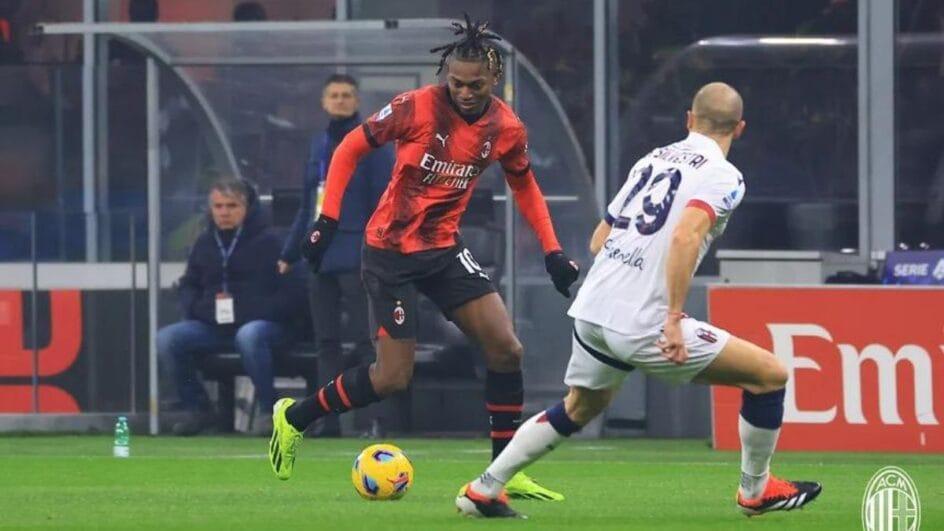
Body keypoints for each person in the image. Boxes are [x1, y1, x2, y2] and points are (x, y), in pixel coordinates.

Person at [455, 83, 822, 518]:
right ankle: (756, 491)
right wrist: (672, 317)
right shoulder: (725, 176)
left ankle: (483, 489)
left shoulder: (653, 159)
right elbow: (687, 234)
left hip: (593, 309)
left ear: (689, 119)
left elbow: (598, 240)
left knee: (579, 406)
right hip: (642, 319)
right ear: (739, 129)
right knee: (769, 375)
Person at [268, 15, 580, 501]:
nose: (465, 91)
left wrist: (553, 251)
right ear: (446, 77)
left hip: (443, 250)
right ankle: (294, 417)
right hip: (389, 253)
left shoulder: (506, 127)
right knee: (392, 377)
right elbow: (350, 147)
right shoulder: (414, 108)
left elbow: (525, 185)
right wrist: (326, 220)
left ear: (492, 79)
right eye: (456, 82)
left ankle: (503, 470)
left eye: (475, 84)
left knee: (506, 349)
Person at [278, 74, 393, 436]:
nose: (340, 101)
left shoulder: (372, 142)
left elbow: (383, 198)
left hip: (358, 251)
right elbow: (307, 201)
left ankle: (367, 420)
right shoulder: (318, 144)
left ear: (357, 101)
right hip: (321, 254)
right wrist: (291, 251)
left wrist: (381, 247)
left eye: (346, 95)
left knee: (363, 339)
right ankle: (325, 421)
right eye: (334, 95)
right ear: (324, 102)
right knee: (325, 340)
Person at [158, 178, 306, 435]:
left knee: (249, 335)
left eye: (231, 206)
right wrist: (195, 307)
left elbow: (293, 292)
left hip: (267, 326)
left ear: (247, 207)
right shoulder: (204, 243)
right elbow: (189, 284)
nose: (224, 212)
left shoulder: (272, 242)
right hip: (215, 326)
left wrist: (253, 311)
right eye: (218, 206)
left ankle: (270, 411)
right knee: (167, 338)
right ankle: (199, 409)